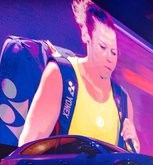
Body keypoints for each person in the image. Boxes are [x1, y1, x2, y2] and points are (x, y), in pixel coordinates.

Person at [19, 0, 140, 152]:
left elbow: (127, 156)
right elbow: (28, 147)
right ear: (86, 36)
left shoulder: (123, 99)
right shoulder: (61, 75)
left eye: (113, 52)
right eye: (102, 47)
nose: (109, 57)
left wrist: (134, 147)